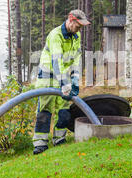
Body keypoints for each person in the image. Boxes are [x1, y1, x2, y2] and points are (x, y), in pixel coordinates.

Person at [33, 9, 91, 155]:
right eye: (78, 25)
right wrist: (65, 84)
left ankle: (59, 139)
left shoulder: (76, 36)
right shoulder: (55, 35)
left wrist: (75, 78)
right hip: (48, 74)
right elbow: (56, 61)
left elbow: (76, 59)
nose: (80, 29)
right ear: (70, 20)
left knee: (64, 109)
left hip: (63, 75)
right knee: (45, 109)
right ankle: (40, 144)